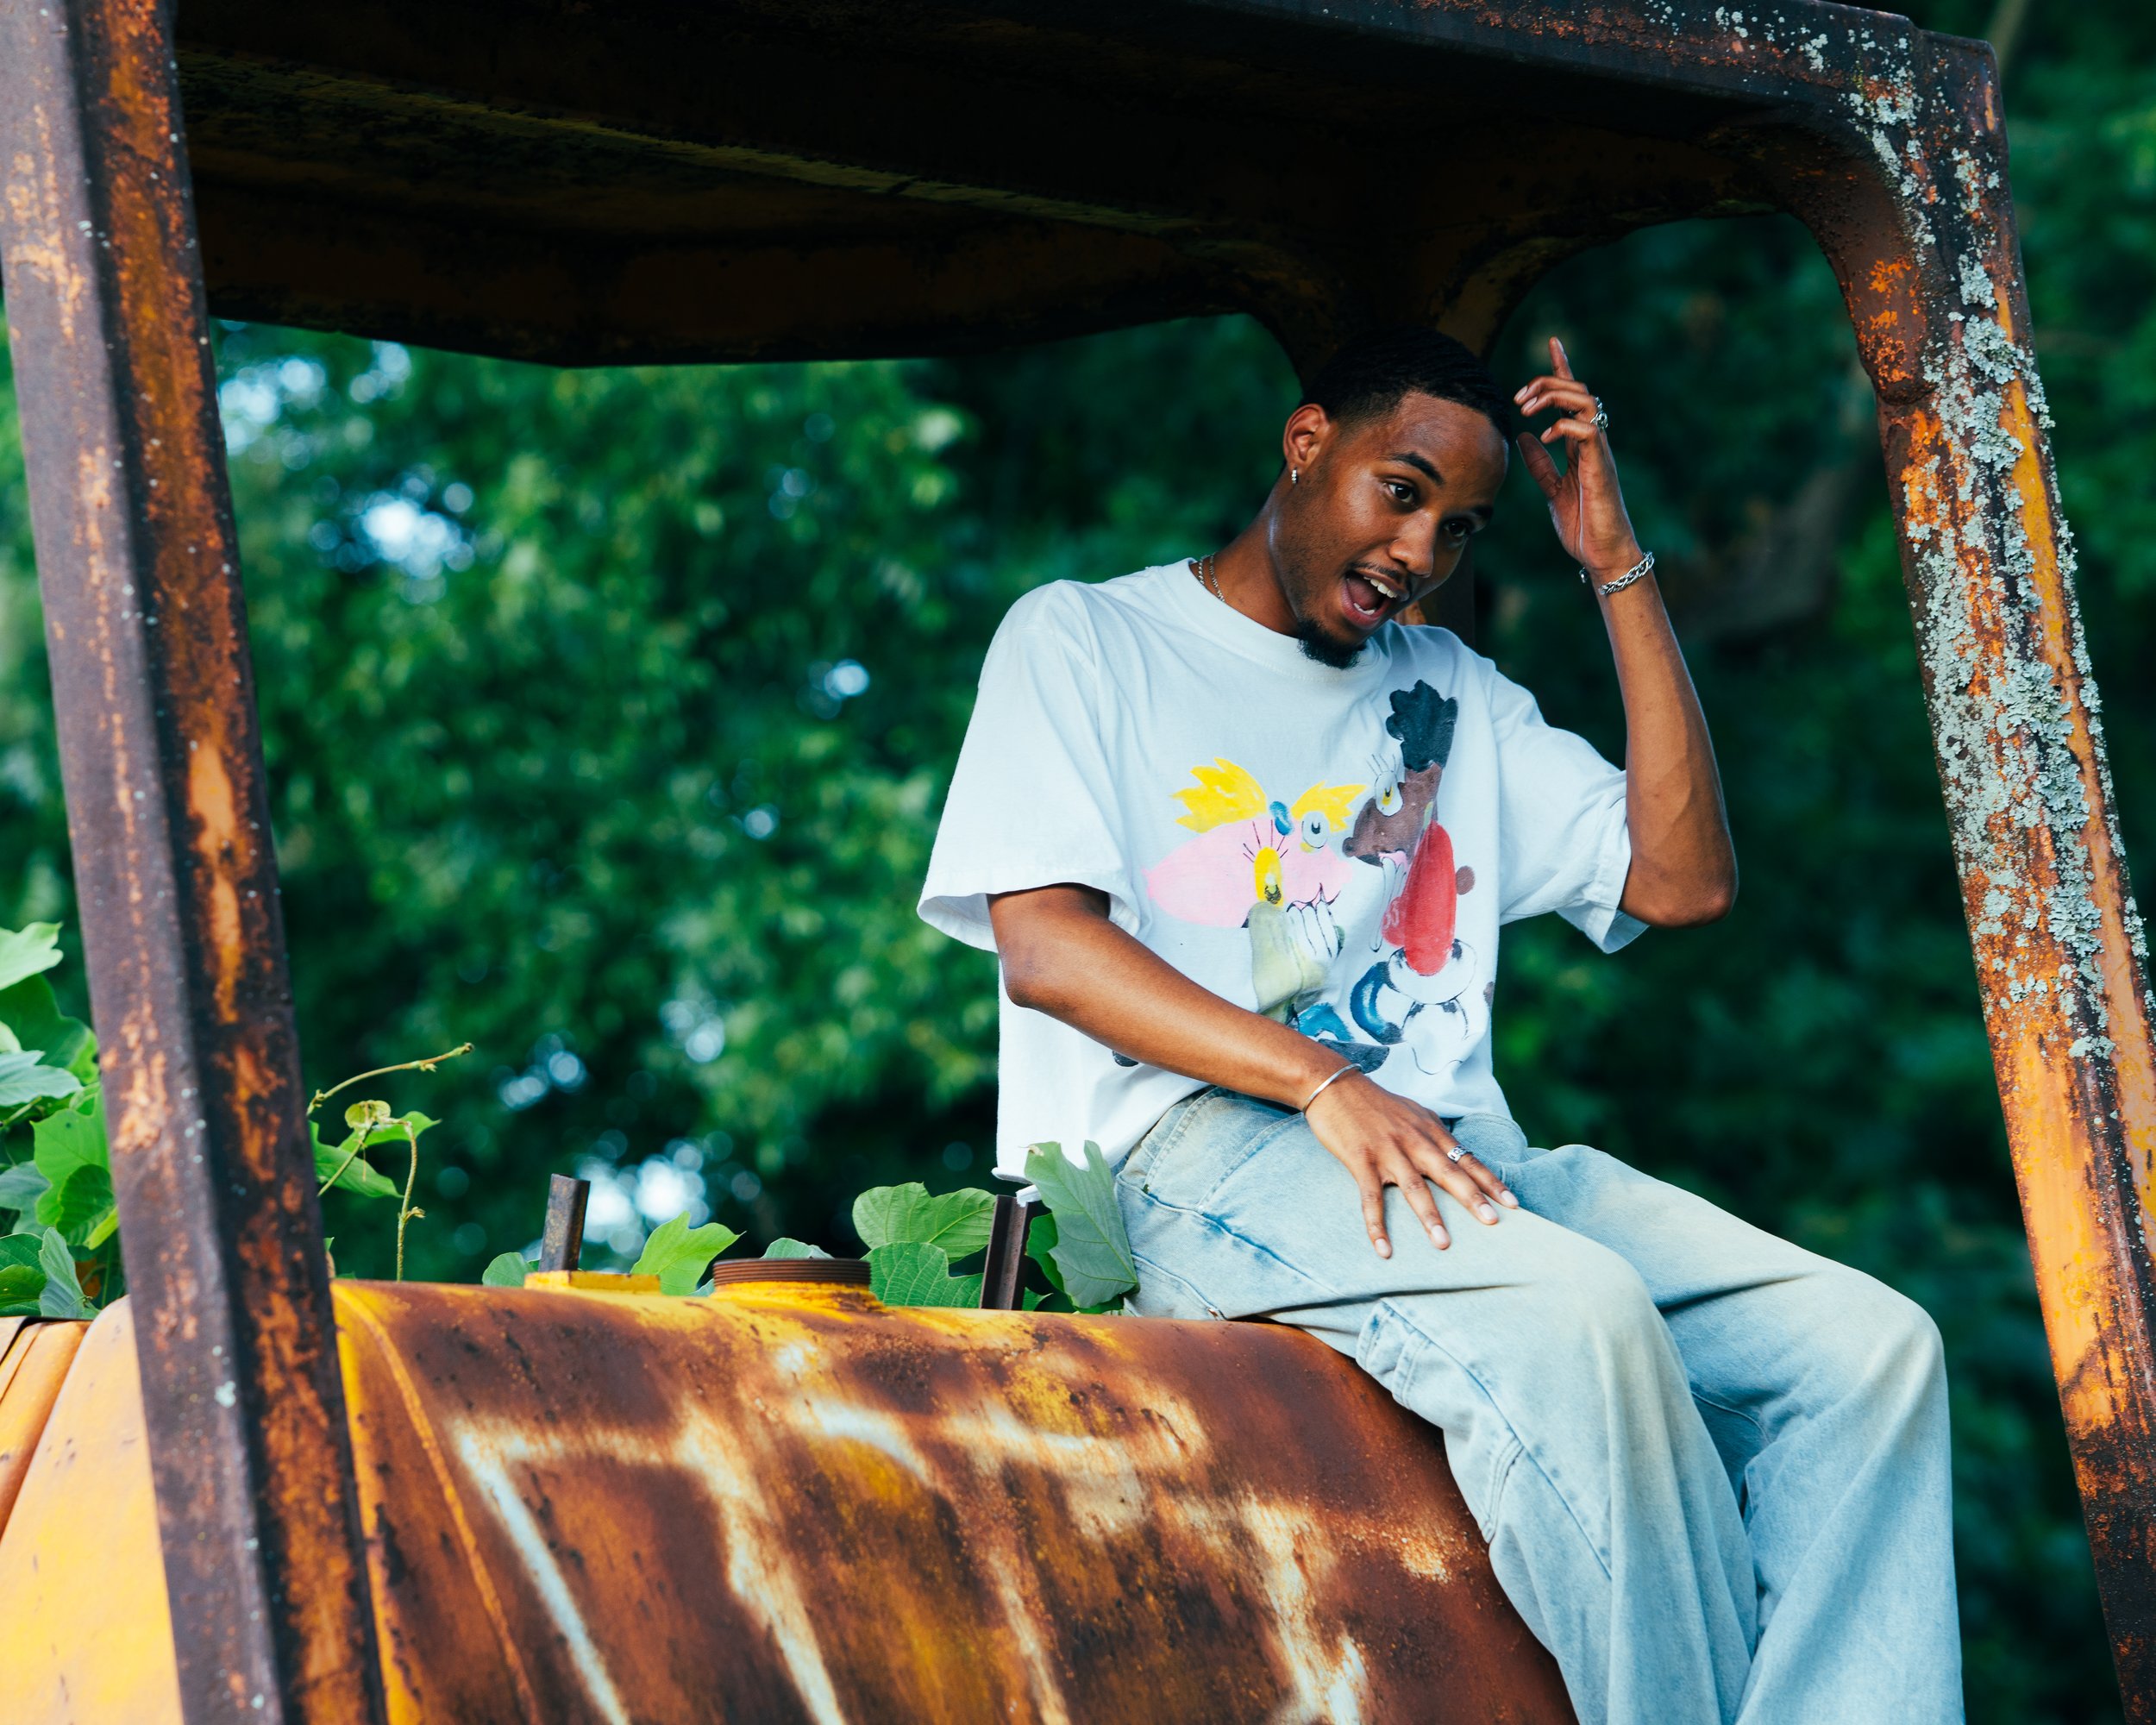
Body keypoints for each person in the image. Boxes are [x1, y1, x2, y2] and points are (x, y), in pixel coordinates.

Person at [917, 326, 1959, 1725]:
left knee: (1868, 1349)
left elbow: (1683, 878)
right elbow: (1047, 950)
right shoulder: (1087, 636)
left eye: (1458, 529)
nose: (1418, 551)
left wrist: (1617, 570)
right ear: (1305, 448)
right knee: (1582, 1315)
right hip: (1179, 1154)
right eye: (1397, 492)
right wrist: (1323, 1083)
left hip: (1455, 1159)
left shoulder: (1451, 692)